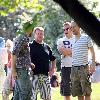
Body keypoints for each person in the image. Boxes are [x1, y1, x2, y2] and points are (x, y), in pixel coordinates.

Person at [70, 21, 95, 100]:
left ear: (79, 26)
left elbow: (92, 52)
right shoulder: (72, 40)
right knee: (79, 93)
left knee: (87, 92)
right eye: (71, 27)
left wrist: (93, 64)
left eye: (74, 26)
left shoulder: (86, 38)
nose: (72, 29)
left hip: (84, 68)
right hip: (74, 69)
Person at [29, 27, 56, 100]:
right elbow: (25, 58)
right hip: (33, 76)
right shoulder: (30, 45)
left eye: (41, 34)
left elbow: (53, 59)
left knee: (47, 97)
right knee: (32, 97)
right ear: (34, 34)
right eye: (38, 34)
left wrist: (52, 70)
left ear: (43, 35)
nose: (39, 35)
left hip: (45, 76)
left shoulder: (47, 47)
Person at [12, 21, 35, 100]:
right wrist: (13, 70)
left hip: (22, 69)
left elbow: (20, 55)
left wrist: (29, 63)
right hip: (22, 71)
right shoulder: (23, 38)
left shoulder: (23, 38)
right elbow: (14, 54)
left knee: (18, 94)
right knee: (26, 93)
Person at [57, 22, 72, 100]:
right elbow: (61, 51)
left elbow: (80, 52)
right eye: (64, 29)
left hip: (77, 66)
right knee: (66, 92)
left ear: (72, 28)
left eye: (67, 28)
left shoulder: (77, 39)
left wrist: (67, 52)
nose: (65, 31)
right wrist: (73, 51)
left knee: (80, 91)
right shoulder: (60, 40)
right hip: (65, 68)